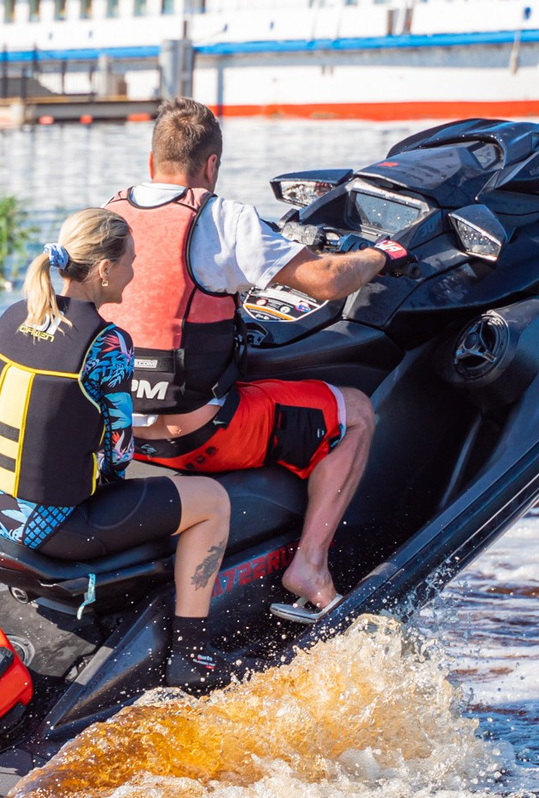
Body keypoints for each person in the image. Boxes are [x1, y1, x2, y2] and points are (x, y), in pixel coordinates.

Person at [103, 98, 398, 621]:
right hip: (197, 437)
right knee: (355, 412)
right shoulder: (223, 219)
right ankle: (310, 565)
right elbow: (328, 281)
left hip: (122, 434)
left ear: (152, 161)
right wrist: (383, 254)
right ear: (212, 165)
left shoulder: (107, 214)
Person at [0, 208, 235, 690]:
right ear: (104, 269)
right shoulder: (108, 343)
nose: (133, 272)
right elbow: (119, 453)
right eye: (130, 262)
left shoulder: (13, 316)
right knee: (212, 502)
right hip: (51, 528)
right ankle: (190, 654)